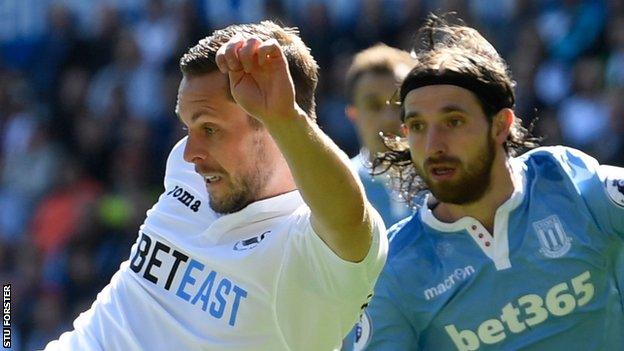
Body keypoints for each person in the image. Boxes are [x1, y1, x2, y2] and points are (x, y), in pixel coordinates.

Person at [45, 21, 387, 351]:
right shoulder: (190, 165)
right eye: (188, 127)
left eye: (210, 129)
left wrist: (287, 117)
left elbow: (347, 217)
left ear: (272, 125)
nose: (191, 152)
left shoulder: (317, 249)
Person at [352, 14, 624, 350]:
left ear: (500, 126)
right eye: (418, 126)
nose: (433, 144)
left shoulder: (568, 180)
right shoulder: (396, 269)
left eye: (453, 121)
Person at [345, 43, 415, 227]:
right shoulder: (338, 187)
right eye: (374, 106)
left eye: (400, 103)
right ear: (353, 114)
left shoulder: (447, 184)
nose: (389, 118)